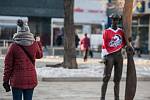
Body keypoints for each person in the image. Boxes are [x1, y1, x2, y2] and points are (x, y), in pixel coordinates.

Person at [3, 20, 43, 100]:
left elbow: (8, 66)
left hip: (17, 80)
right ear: (28, 31)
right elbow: (39, 55)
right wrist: (38, 42)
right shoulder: (34, 44)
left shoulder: (13, 46)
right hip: (30, 79)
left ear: (18, 32)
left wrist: (5, 80)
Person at [100, 14, 132, 100]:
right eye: (114, 19)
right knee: (106, 77)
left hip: (119, 56)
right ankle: (102, 98)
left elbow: (125, 43)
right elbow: (103, 45)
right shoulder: (107, 31)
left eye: (117, 20)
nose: (115, 21)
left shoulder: (121, 31)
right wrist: (103, 57)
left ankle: (116, 98)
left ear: (119, 21)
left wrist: (129, 43)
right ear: (111, 20)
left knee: (117, 79)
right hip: (109, 56)